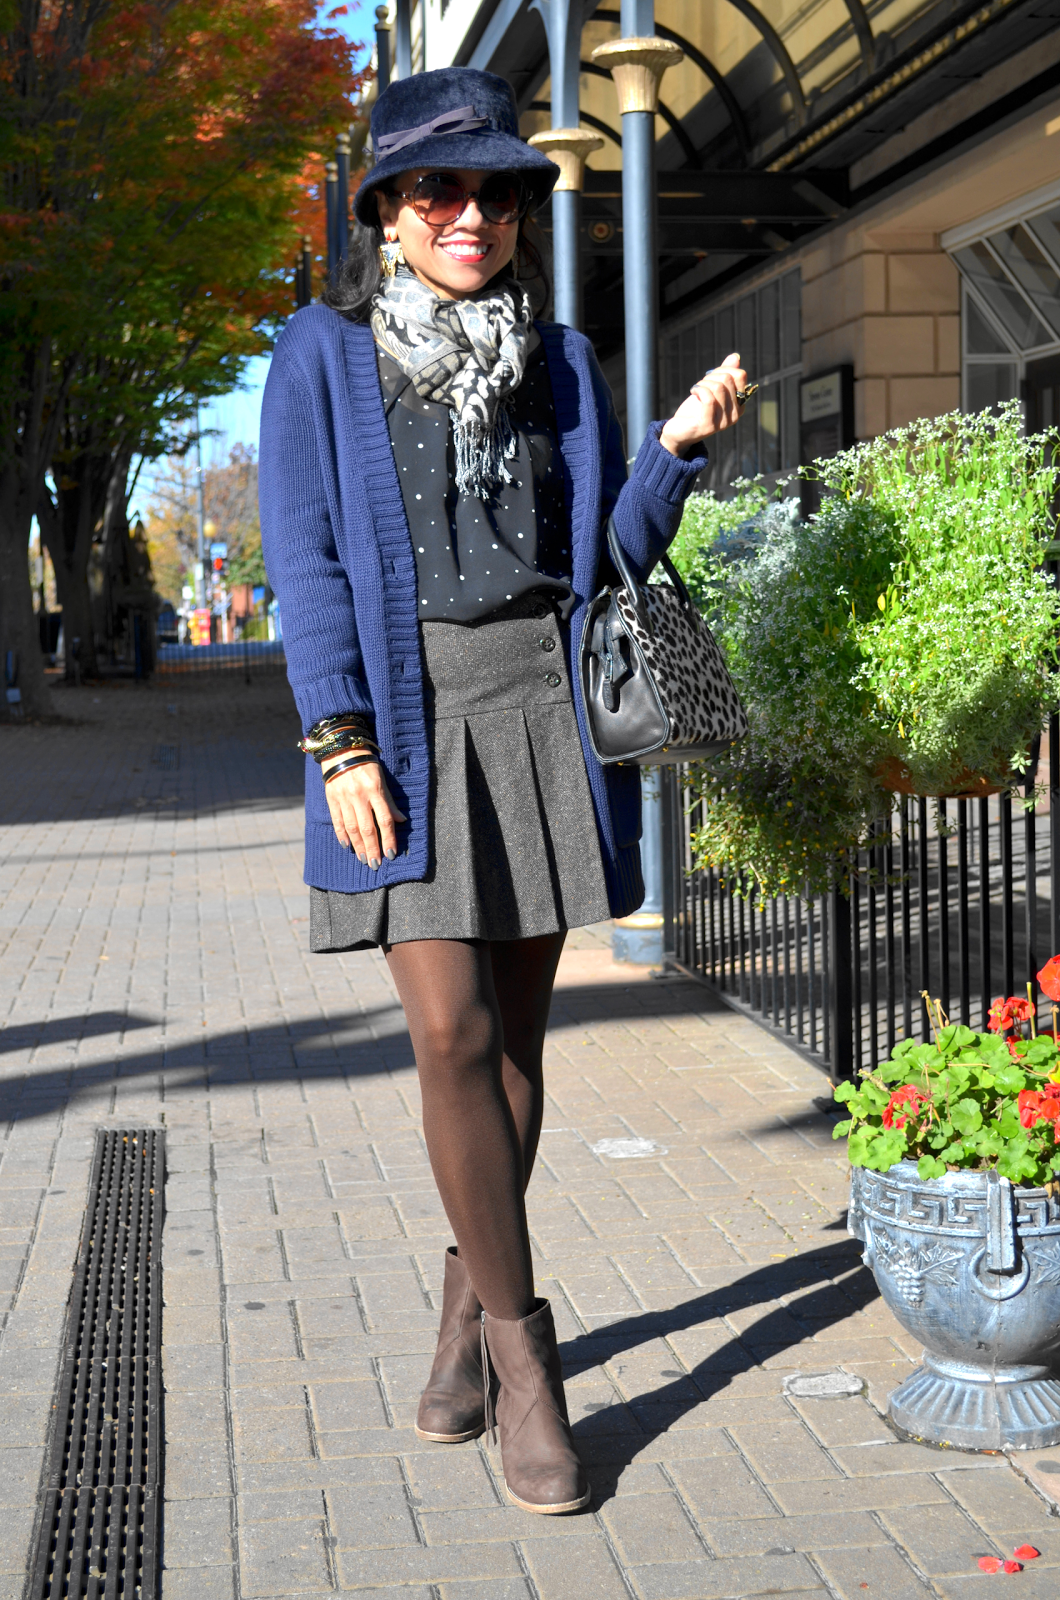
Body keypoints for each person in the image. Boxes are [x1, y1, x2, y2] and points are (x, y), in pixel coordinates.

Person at [259, 65, 748, 1516]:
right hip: (406, 724)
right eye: (438, 189)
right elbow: (306, 556)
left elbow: (601, 556)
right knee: (452, 1033)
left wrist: (672, 454)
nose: (471, 214)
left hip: (540, 710)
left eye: (497, 193)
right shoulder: (321, 355)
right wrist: (339, 741)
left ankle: (461, 1329)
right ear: (386, 212)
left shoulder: (564, 361)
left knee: (520, 1047)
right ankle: (531, 1365)